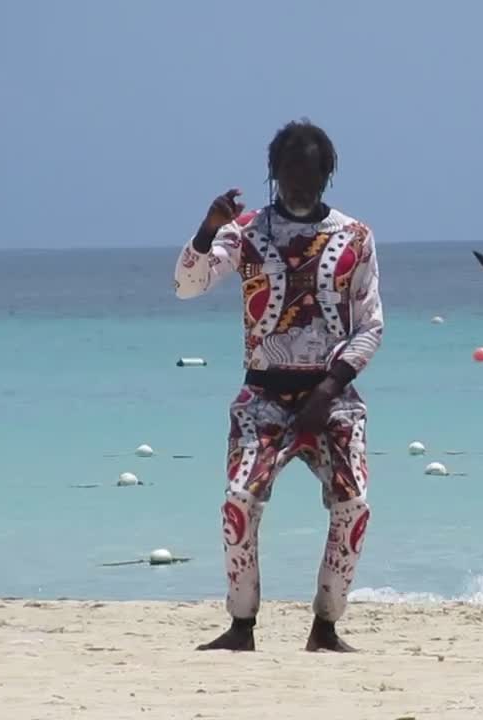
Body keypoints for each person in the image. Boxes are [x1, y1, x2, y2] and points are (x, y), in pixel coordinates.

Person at [173, 119, 384, 653]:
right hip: (261, 396)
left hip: (332, 397)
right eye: (289, 170)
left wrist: (329, 388)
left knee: (354, 503)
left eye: (310, 171)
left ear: (326, 173)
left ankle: (326, 626)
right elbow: (187, 285)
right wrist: (206, 229)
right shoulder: (243, 231)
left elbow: (371, 326)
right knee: (240, 499)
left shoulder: (355, 236)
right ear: (273, 172)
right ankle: (241, 626)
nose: (299, 182)